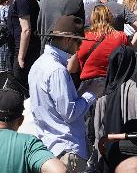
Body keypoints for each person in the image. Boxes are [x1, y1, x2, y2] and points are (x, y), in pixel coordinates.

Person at [28, 14, 92, 162]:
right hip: (66, 147)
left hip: (49, 144)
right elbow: (69, 113)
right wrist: (91, 95)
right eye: (78, 42)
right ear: (68, 40)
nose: (80, 47)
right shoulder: (57, 70)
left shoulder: (40, 63)